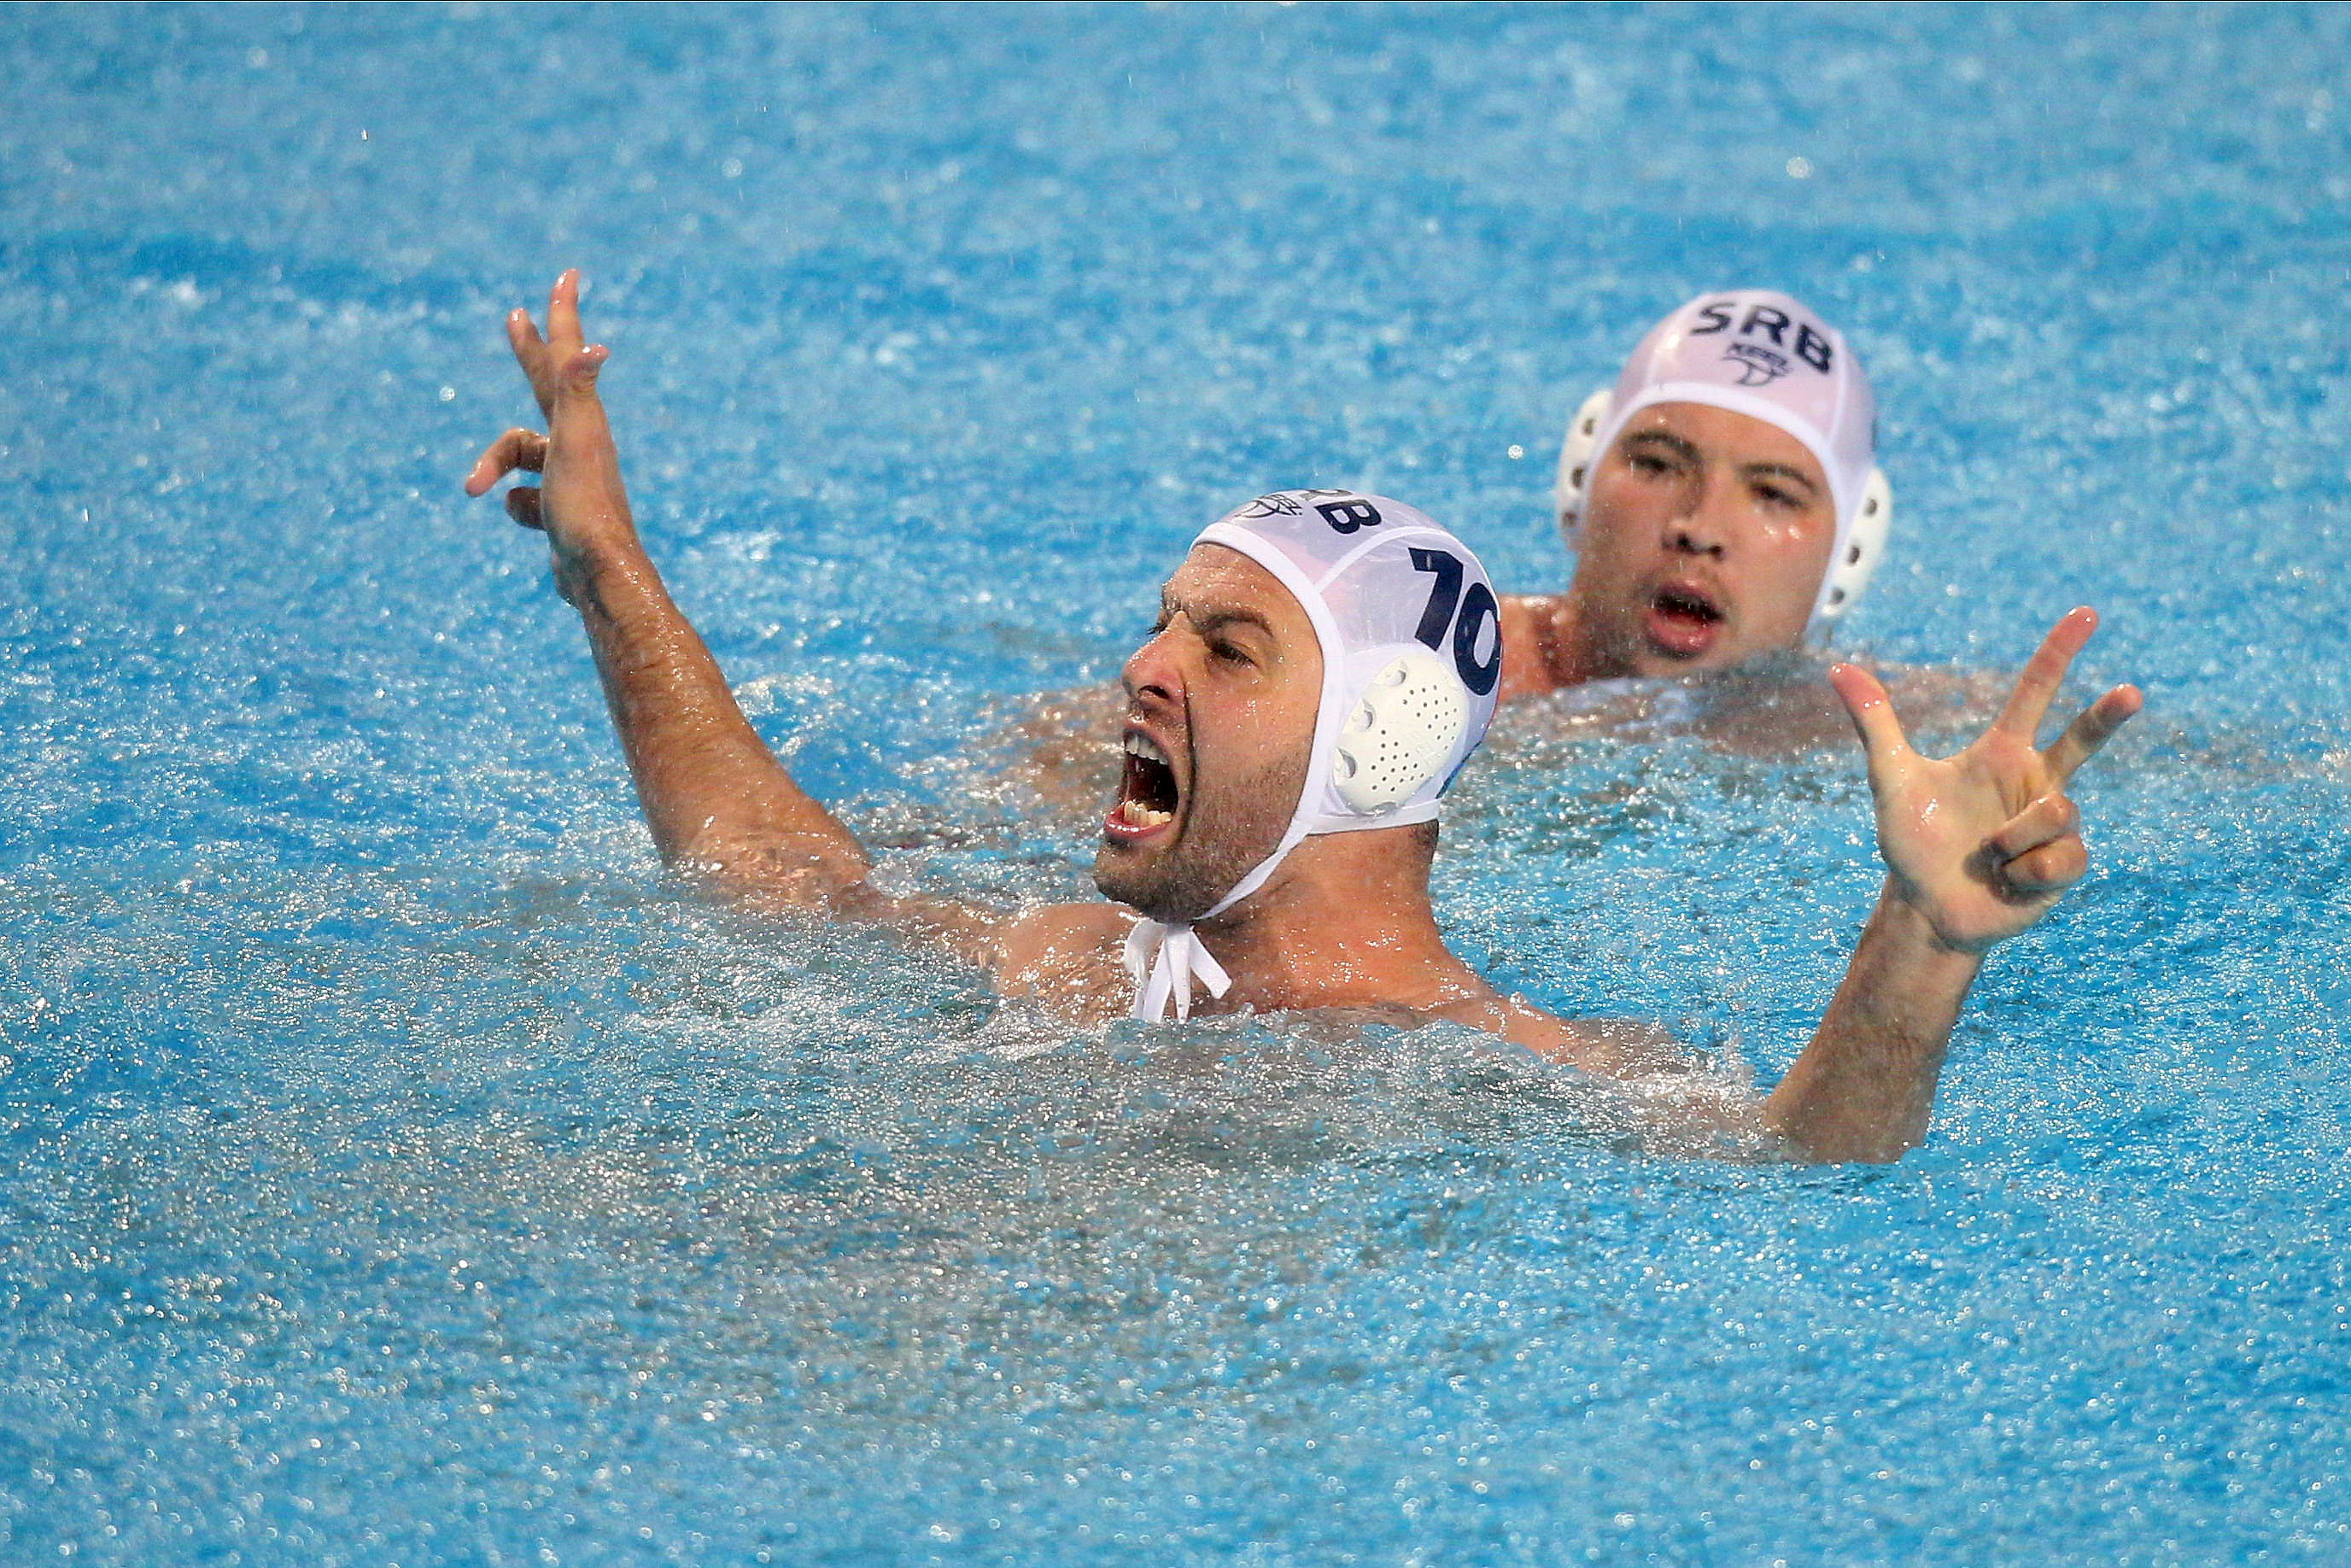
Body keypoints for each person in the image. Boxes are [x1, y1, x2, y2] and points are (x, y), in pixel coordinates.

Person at [462, 272, 2143, 1164]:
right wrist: (611, 575)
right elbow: (786, 883)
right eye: (1159, 625)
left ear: (1388, 734)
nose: (1141, 671)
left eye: (1226, 650)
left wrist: (1923, 943)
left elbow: (1798, 1160)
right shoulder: (1071, 955)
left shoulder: (1478, 1069)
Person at [1498, 289, 1892, 699]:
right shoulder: (1448, 667)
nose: (1701, 529)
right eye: (1658, 465)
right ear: (1582, 478)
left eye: (1773, 494)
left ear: (1850, 547)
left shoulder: (1898, 739)